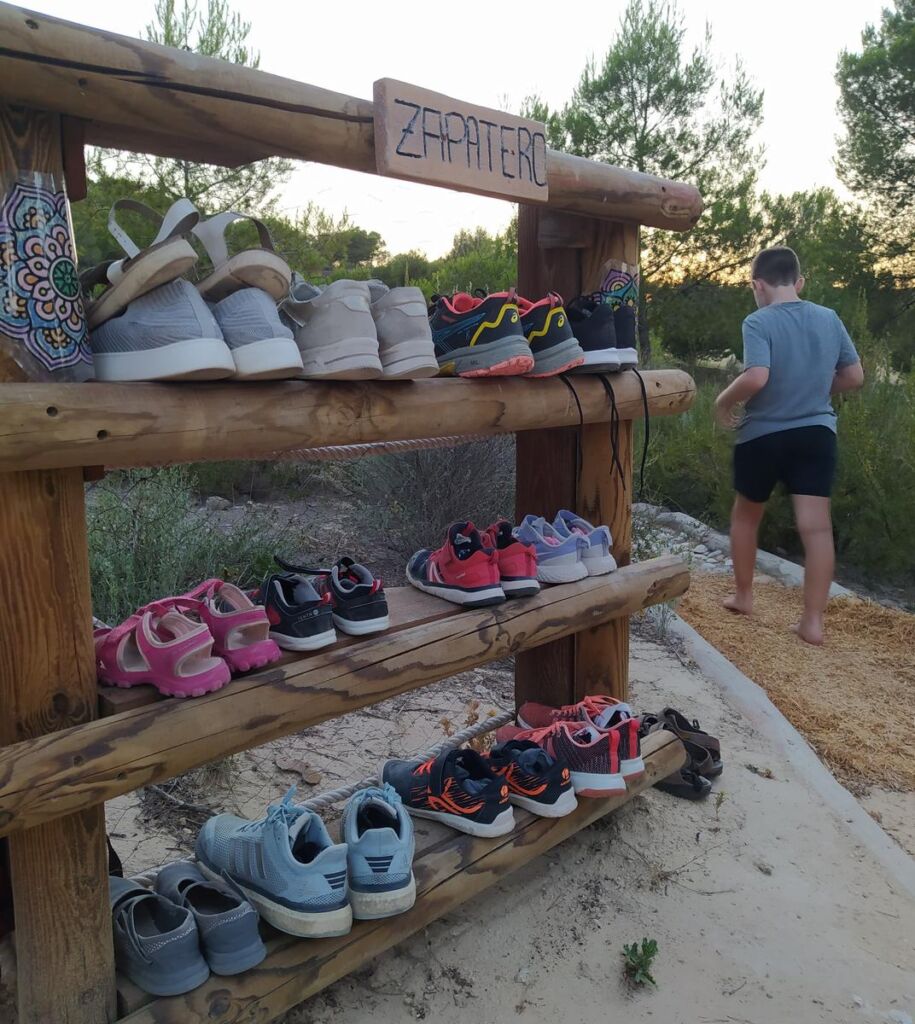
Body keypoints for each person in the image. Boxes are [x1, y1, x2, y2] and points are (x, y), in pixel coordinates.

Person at [714, 246, 864, 645]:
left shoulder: (758, 321)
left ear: (757, 285)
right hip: (816, 433)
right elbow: (853, 375)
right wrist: (815, 388)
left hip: (762, 435)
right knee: (816, 528)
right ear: (799, 282)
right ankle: (812, 623)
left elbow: (757, 376)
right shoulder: (829, 318)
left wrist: (724, 400)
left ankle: (743, 596)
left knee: (746, 517)